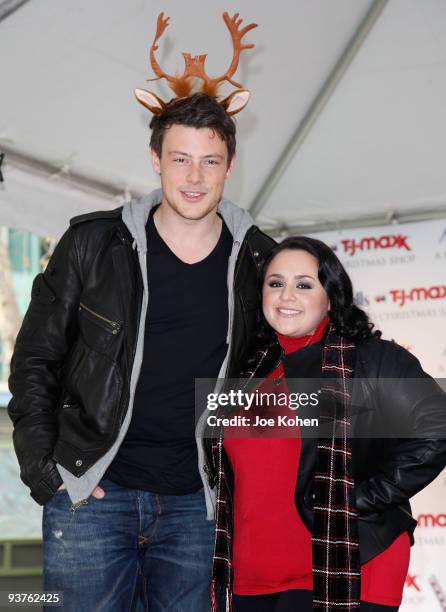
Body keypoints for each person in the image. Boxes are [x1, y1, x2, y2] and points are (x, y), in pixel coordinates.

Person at [7, 11, 274, 610]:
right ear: (154, 160)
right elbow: (35, 360)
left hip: (197, 508)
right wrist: (45, 470)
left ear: (231, 164)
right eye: (180, 159)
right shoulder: (93, 244)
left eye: (210, 161)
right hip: (91, 497)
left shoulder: (263, 262)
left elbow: (291, 374)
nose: (195, 177)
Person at [209, 236, 446, 612]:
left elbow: (437, 428)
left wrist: (363, 497)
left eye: (304, 285)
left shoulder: (372, 359)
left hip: (347, 561)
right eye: (276, 283)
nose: (287, 296)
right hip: (253, 572)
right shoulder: (248, 367)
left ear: (331, 296)